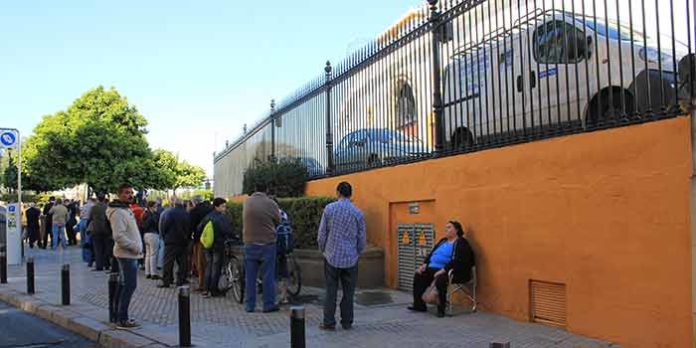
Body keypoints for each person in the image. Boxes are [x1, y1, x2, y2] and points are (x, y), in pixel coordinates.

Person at [317, 181, 366, 331]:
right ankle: (347, 321)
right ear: (351, 194)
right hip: (351, 258)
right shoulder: (358, 213)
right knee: (348, 292)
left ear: (338, 192)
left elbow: (322, 234)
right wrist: (357, 252)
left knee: (331, 291)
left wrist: (323, 250)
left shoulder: (329, 209)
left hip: (332, 256)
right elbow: (361, 238)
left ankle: (329, 322)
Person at [408, 220, 475, 317]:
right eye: (446, 227)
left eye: (449, 227)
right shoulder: (442, 241)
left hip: (451, 271)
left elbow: (458, 261)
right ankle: (419, 305)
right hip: (433, 268)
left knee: (441, 280)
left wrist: (443, 270)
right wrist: (424, 265)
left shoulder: (461, 243)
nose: (446, 229)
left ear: (456, 230)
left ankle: (441, 309)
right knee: (419, 275)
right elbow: (431, 254)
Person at [107, 184, 143, 329]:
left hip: (130, 254)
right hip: (127, 254)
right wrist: (135, 247)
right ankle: (122, 319)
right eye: (127, 193)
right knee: (129, 285)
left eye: (131, 193)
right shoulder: (118, 212)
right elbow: (118, 236)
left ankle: (118, 316)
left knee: (124, 285)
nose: (130, 195)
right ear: (119, 194)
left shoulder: (125, 209)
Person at [242, 183, 281, 313]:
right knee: (268, 275)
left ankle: (249, 305)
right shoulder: (271, 203)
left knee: (250, 276)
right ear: (267, 191)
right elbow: (278, 220)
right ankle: (268, 304)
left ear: (254, 190)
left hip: (249, 242)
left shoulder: (247, 202)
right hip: (267, 243)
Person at [197, 198, 232, 297]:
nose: (225, 208)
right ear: (217, 207)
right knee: (216, 267)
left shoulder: (207, 216)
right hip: (218, 245)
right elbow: (227, 230)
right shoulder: (221, 218)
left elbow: (199, 228)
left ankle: (205, 289)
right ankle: (214, 290)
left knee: (209, 266)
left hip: (207, 245)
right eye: (223, 206)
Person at [158, 197, 191, 288]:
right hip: (183, 241)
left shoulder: (170, 212)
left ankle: (167, 281)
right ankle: (180, 280)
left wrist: (165, 236)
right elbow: (189, 227)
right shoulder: (186, 214)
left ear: (174, 204)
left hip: (171, 241)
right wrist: (186, 237)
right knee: (183, 262)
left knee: (168, 262)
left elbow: (165, 225)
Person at [189, 196, 213, 291]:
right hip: (212, 238)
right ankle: (210, 282)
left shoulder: (194, 211)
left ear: (195, 202)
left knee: (200, 262)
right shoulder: (210, 209)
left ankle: (202, 284)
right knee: (210, 262)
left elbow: (191, 226)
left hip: (199, 239)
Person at [272, 197, 293, 305]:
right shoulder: (284, 213)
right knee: (284, 271)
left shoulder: (271, 214)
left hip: (274, 245)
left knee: (273, 271)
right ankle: (284, 296)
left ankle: (275, 297)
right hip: (284, 246)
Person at [89, 193, 111, 271]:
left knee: (98, 249)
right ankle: (107, 264)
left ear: (98, 198)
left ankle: (99, 266)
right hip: (106, 230)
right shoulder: (107, 207)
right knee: (106, 248)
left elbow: (90, 217)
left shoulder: (94, 207)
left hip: (96, 229)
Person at [142, 201, 161, 279]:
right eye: (155, 206)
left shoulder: (145, 214)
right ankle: (153, 273)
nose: (156, 208)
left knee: (148, 254)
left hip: (146, 235)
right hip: (153, 234)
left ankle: (147, 272)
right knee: (153, 254)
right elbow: (156, 224)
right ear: (151, 207)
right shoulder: (153, 215)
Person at [80, 198, 96, 266]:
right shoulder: (93, 206)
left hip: (82, 221)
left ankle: (84, 258)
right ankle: (89, 258)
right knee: (88, 241)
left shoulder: (84, 206)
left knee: (83, 241)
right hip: (89, 223)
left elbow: (81, 215)